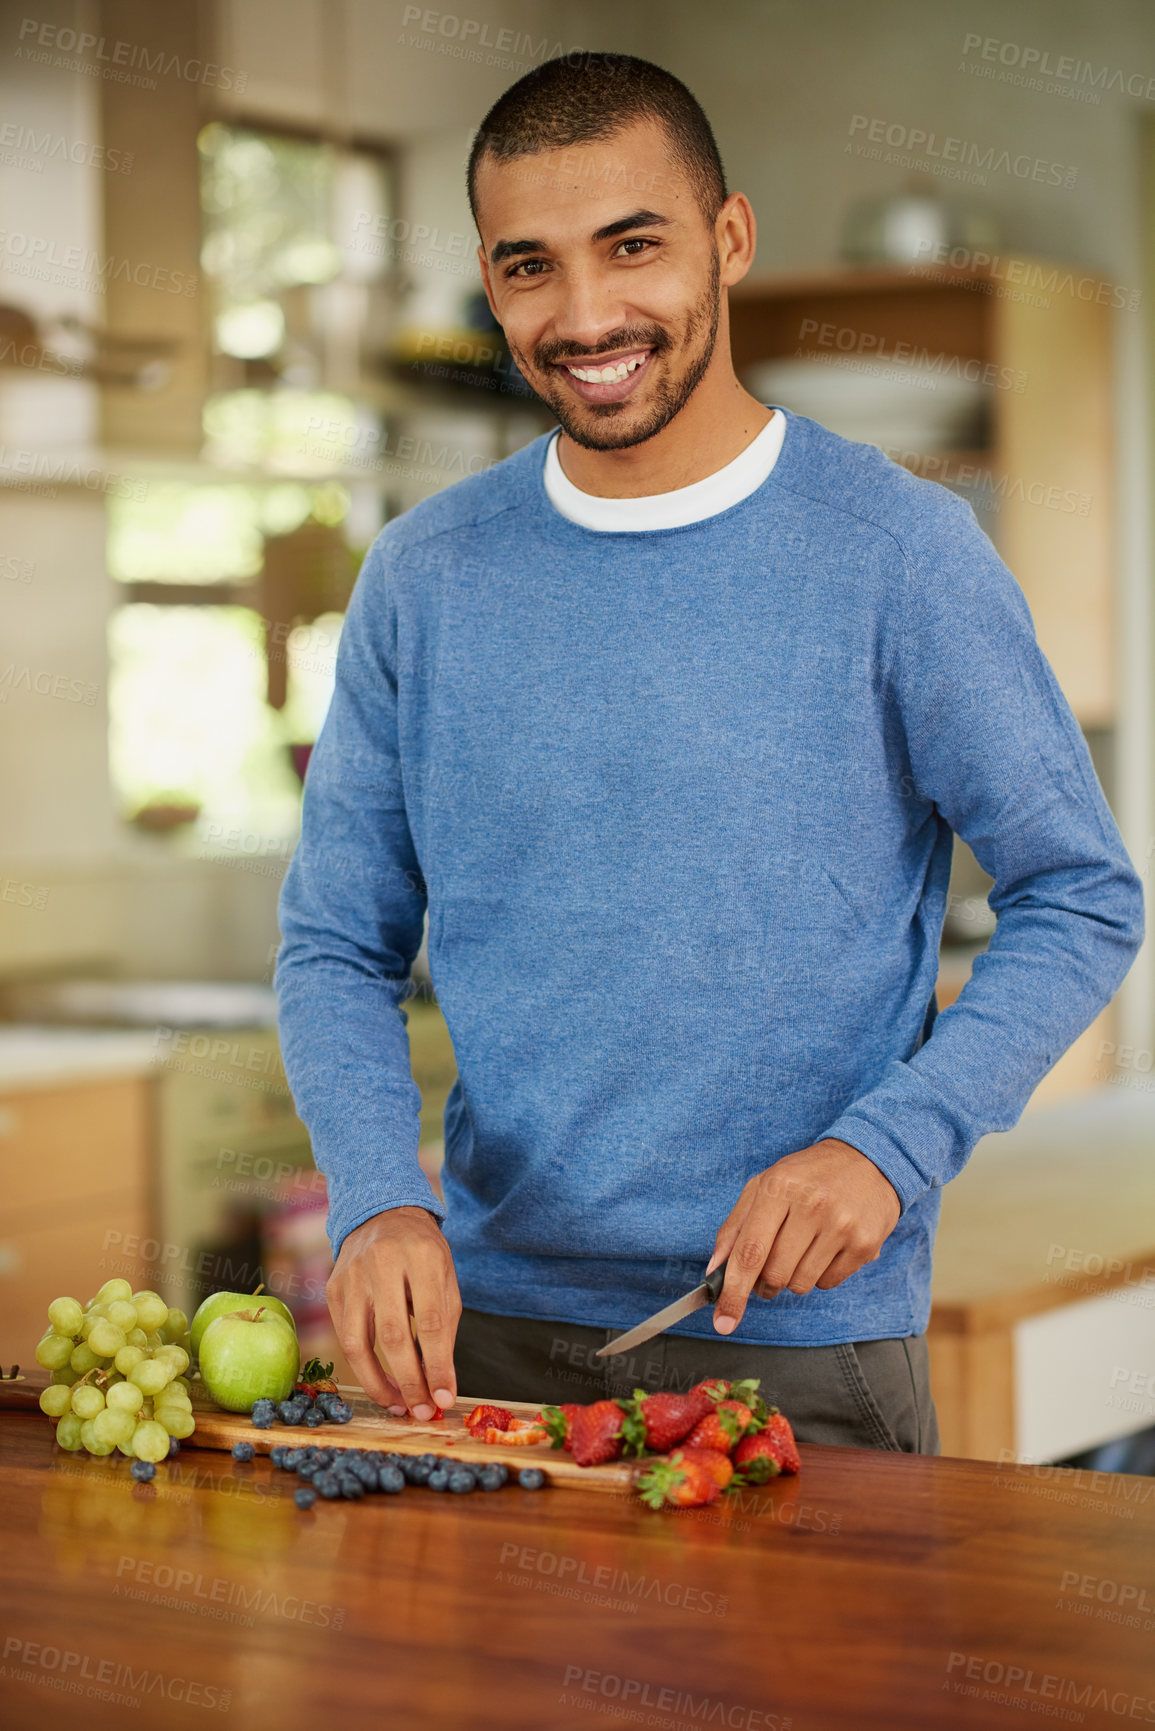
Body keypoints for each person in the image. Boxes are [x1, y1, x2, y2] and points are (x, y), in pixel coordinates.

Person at [275, 54, 1144, 1452]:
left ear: (729, 241)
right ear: (493, 290)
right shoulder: (423, 577)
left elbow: (1082, 892)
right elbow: (334, 941)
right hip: (487, 1345)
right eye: (530, 268)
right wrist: (379, 1194)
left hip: (798, 1351)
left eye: (633, 247)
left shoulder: (901, 554)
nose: (588, 314)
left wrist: (891, 1145)